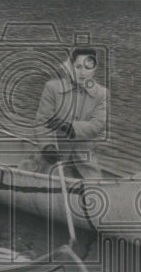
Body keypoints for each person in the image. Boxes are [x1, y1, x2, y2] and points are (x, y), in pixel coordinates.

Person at [32, 47, 108, 178]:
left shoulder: (101, 94)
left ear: (94, 70)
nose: (82, 72)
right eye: (78, 67)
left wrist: (70, 127)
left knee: (95, 189)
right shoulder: (52, 88)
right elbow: (42, 123)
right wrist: (47, 147)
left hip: (85, 162)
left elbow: (97, 125)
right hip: (54, 158)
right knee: (49, 184)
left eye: (87, 68)